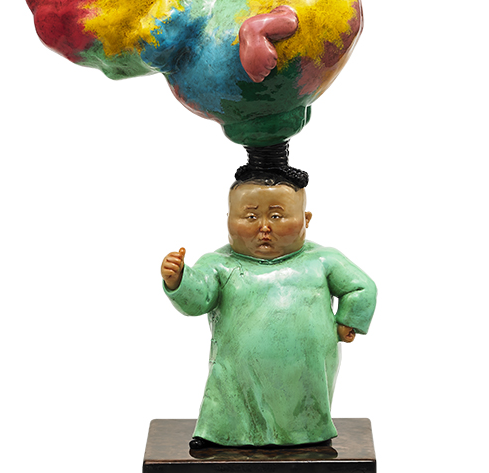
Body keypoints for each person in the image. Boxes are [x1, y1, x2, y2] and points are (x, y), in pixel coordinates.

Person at [161, 179, 377, 449]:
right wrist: (179, 279)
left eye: (276, 216)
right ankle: (223, 434)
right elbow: (198, 299)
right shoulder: (219, 265)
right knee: (229, 402)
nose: (264, 227)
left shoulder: (323, 260)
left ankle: (306, 435)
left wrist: (348, 321)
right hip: (236, 373)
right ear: (228, 219)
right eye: (251, 216)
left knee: (303, 407)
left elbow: (361, 287)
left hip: (305, 371)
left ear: (306, 219)